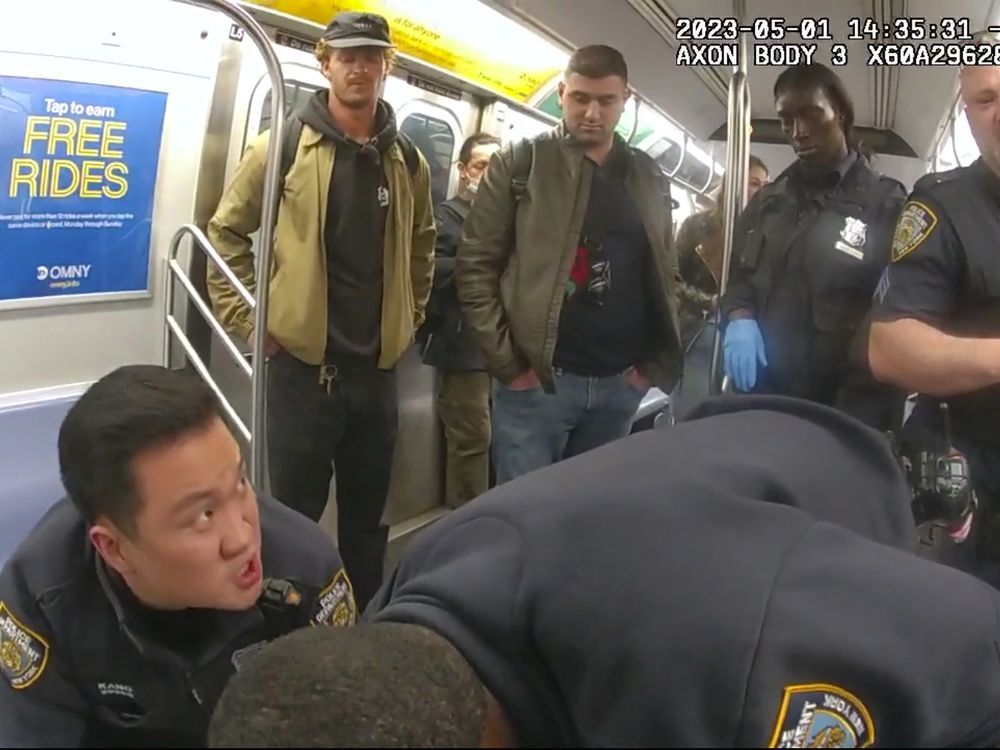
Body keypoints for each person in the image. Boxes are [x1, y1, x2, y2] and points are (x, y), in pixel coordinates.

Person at [206, 395, 1000, 748]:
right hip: (672, 489)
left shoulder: (728, 667)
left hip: (835, 482)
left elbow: (976, 658)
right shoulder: (406, 624)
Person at [205, 11, 436, 611]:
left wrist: (408, 319)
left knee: (366, 517)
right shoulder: (280, 145)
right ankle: (291, 620)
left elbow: (423, 246)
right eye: (347, 56)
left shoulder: (407, 161)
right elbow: (226, 233)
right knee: (293, 514)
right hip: (303, 373)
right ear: (323, 61)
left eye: (371, 56)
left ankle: (361, 616)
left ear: (388, 66)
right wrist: (251, 320)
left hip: (376, 375)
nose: (359, 67)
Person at [0, 365, 355, 748]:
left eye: (239, 482)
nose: (242, 537)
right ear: (114, 548)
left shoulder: (308, 572)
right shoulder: (42, 598)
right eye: (203, 516)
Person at [456, 44, 683, 484]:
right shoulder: (521, 164)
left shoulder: (647, 176)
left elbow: (664, 270)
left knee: (587, 515)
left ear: (625, 100)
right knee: (523, 515)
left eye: (606, 100)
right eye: (580, 98)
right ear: (561, 93)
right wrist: (510, 365)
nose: (592, 113)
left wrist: (649, 369)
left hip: (620, 383)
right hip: (539, 382)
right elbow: (476, 265)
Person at [868, 62, 1000, 586]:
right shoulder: (943, 205)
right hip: (974, 477)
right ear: (966, 115)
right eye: (986, 100)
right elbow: (891, 348)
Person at [719, 63, 907, 422]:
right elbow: (740, 280)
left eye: (811, 115)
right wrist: (739, 318)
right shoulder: (768, 202)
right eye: (787, 119)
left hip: (844, 405)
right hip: (763, 397)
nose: (798, 132)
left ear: (840, 112)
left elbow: (894, 311)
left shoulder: (886, 204)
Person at [420, 132, 503, 508]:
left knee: (500, 437)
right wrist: (484, 265)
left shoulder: (509, 220)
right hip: (462, 346)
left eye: (495, 167)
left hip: (501, 347)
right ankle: (465, 519)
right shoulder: (447, 217)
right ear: (463, 170)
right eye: (480, 166)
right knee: (473, 439)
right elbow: (429, 271)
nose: (487, 175)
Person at [672, 156, 769, 418]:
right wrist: (709, 302)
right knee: (691, 416)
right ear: (733, 184)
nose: (761, 191)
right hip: (699, 332)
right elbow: (672, 281)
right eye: (753, 183)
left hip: (748, 336)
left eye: (764, 184)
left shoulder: (768, 233)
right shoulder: (696, 227)